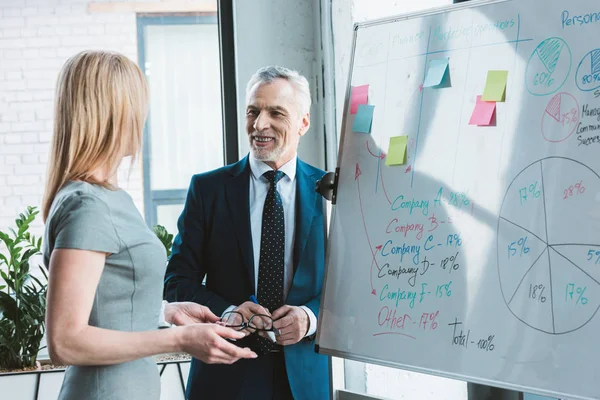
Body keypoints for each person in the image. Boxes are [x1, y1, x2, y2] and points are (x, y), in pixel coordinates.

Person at [42, 50, 257, 400]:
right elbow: (65, 341)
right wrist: (179, 339)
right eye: (137, 105)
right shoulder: (87, 205)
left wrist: (166, 313)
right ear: (112, 112)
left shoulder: (108, 197)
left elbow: (105, 304)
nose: (142, 118)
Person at [164, 65, 331, 400]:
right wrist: (228, 313)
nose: (259, 124)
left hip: (304, 380)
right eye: (253, 111)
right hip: (224, 374)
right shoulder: (208, 190)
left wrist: (310, 318)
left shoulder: (329, 191)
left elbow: (348, 287)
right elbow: (177, 283)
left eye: (275, 113)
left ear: (304, 122)